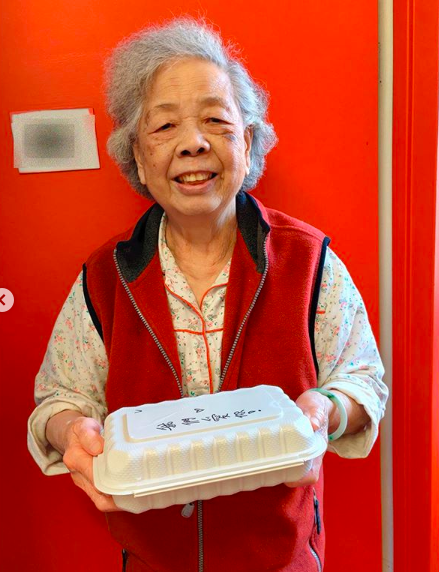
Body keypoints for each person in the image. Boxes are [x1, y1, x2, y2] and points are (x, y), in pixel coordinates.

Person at [27, 17, 388, 572]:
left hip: (281, 558)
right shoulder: (106, 276)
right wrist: (72, 431)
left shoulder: (309, 260)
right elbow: (60, 398)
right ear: (137, 158)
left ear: (247, 141)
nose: (193, 143)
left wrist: (328, 411)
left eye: (215, 121)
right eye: (165, 127)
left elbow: (362, 379)